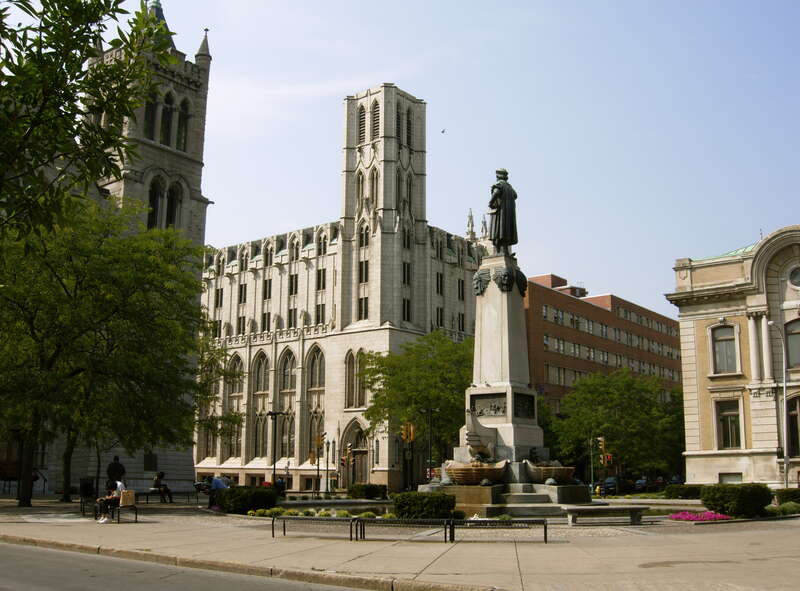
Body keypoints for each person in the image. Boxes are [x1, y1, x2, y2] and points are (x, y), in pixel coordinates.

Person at [488, 168, 518, 256]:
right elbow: (515, 196)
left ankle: (497, 252)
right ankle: (506, 252)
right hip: (508, 215)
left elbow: (496, 192)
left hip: (499, 212)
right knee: (505, 232)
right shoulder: (509, 187)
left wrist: (490, 203)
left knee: (497, 232)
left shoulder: (499, 184)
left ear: (498, 176)